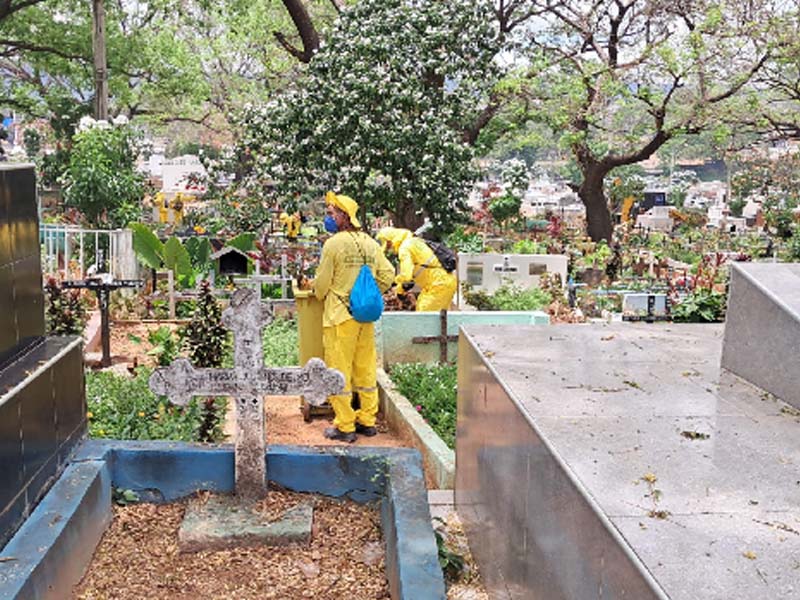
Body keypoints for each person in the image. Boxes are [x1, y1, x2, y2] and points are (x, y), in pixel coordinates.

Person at [312, 192, 394, 443]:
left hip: (339, 316)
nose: (329, 217)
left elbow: (322, 285)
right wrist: (368, 295)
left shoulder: (333, 244)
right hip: (364, 317)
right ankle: (367, 421)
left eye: (332, 213)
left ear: (343, 216)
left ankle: (345, 425)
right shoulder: (370, 242)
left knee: (340, 370)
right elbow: (388, 274)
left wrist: (318, 292)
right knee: (365, 367)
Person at [376, 227, 457, 312]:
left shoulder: (405, 248)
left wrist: (397, 286)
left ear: (391, 240)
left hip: (439, 284)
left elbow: (406, 276)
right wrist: (399, 288)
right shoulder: (414, 242)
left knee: (424, 318)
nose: (390, 249)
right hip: (439, 284)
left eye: (389, 245)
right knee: (423, 311)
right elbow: (413, 275)